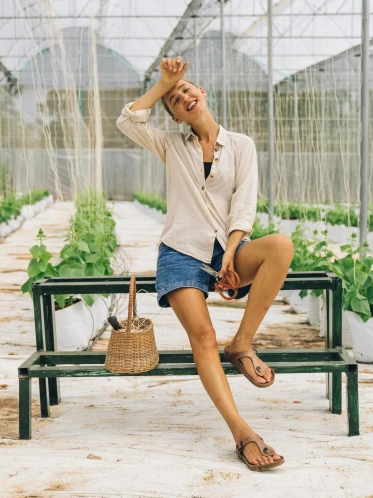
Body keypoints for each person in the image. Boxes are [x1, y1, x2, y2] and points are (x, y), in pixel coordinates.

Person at [116, 56, 294, 471]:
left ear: (204, 94)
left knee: (281, 245)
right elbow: (128, 120)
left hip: (226, 247)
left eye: (187, 90)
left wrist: (231, 254)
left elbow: (243, 208)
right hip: (180, 252)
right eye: (175, 100)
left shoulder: (243, 145)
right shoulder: (170, 145)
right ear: (176, 115)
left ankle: (242, 345)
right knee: (202, 334)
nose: (183, 97)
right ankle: (242, 432)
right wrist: (164, 83)